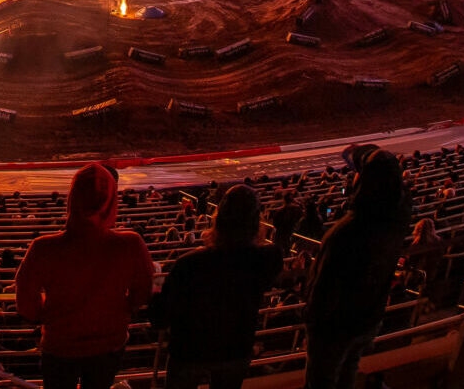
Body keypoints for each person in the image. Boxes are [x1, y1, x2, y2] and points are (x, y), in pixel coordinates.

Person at [14, 162, 156, 389]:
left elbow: (25, 300)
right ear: (112, 203)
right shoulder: (131, 244)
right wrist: (117, 311)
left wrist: (46, 314)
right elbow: (141, 294)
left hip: (59, 345)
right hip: (109, 343)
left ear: (72, 199)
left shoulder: (43, 248)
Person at [150, 184, 284, 389]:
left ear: (218, 219)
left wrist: (155, 292)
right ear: (257, 223)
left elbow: (159, 318)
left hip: (189, 352)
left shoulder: (189, 264)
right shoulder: (266, 260)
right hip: (235, 351)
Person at [304, 146, 411, 389]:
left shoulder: (346, 231)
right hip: (369, 318)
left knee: (321, 380)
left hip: (335, 326)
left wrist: (312, 322)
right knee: (348, 371)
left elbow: (322, 286)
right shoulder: (398, 219)